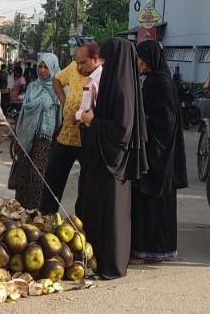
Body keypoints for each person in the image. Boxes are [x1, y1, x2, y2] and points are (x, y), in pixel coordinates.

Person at [79, 38, 148, 279]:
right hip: (105, 158)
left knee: (112, 214)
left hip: (114, 160)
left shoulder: (122, 86)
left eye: (107, 60)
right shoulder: (115, 81)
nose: (104, 65)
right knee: (99, 210)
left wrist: (92, 122)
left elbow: (123, 129)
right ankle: (98, 259)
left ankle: (111, 264)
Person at [129, 40, 188, 264]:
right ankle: (156, 249)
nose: (138, 62)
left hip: (158, 152)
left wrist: (141, 123)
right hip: (159, 150)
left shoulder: (158, 82)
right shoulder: (160, 79)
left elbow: (166, 120)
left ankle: (148, 251)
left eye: (141, 58)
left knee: (151, 199)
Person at [39, 43, 103, 215]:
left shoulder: (102, 75)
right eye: (78, 62)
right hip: (68, 133)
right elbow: (57, 79)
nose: (80, 66)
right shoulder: (74, 67)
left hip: (88, 137)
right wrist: (63, 99)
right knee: (54, 175)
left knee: (86, 182)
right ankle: (46, 215)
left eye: (83, 63)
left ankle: (80, 221)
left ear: (95, 59)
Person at [13, 53, 62, 210]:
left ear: (53, 67)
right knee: (23, 173)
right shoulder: (33, 86)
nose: (42, 70)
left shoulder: (58, 88)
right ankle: (21, 210)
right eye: (40, 67)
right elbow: (24, 112)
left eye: (46, 67)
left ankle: (35, 211)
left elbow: (61, 113)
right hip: (27, 136)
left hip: (45, 138)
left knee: (38, 175)